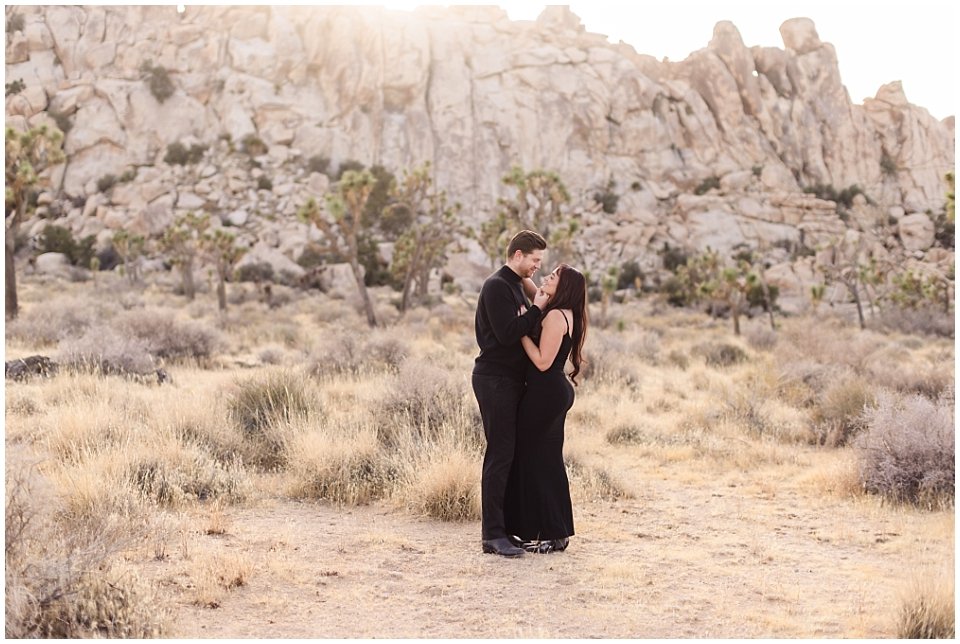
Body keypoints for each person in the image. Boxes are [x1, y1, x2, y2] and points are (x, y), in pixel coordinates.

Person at [472, 230, 549, 558]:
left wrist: (537, 303)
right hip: (494, 379)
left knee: (510, 454)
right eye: (534, 260)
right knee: (500, 454)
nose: (537, 267)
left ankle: (505, 529)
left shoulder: (517, 285)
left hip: (510, 381)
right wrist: (537, 308)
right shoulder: (497, 286)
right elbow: (506, 335)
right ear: (518, 254)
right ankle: (492, 536)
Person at [504, 263, 587, 554]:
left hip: (545, 393)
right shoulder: (568, 312)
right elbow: (538, 290)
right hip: (553, 392)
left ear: (563, 288)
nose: (546, 277)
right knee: (547, 460)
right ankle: (555, 532)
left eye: (554, 277)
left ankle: (549, 532)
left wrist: (522, 329)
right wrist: (526, 280)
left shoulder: (554, 317)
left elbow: (541, 362)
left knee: (536, 460)